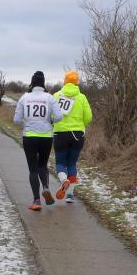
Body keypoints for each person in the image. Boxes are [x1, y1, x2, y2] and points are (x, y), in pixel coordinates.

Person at [13, 71, 62, 211]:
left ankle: (36, 201)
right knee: (43, 165)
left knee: (33, 169)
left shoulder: (24, 98)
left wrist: (26, 124)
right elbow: (59, 117)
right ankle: (46, 187)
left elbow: (16, 120)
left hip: (29, 136)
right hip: (46, 136)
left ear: (32, 83)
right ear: (43, 83)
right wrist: (50, 122)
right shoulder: (50, 98)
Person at [53, 70, 92, 203]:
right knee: (72, 164)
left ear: (65, 81)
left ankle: (64, 180)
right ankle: (70, 195)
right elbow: (88, 118)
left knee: (60, 163)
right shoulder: (82, 97)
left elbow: (51, 115)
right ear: (76, 82)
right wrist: (80, 125)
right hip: (77, 135)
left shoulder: (56, 96)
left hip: (60, 134)